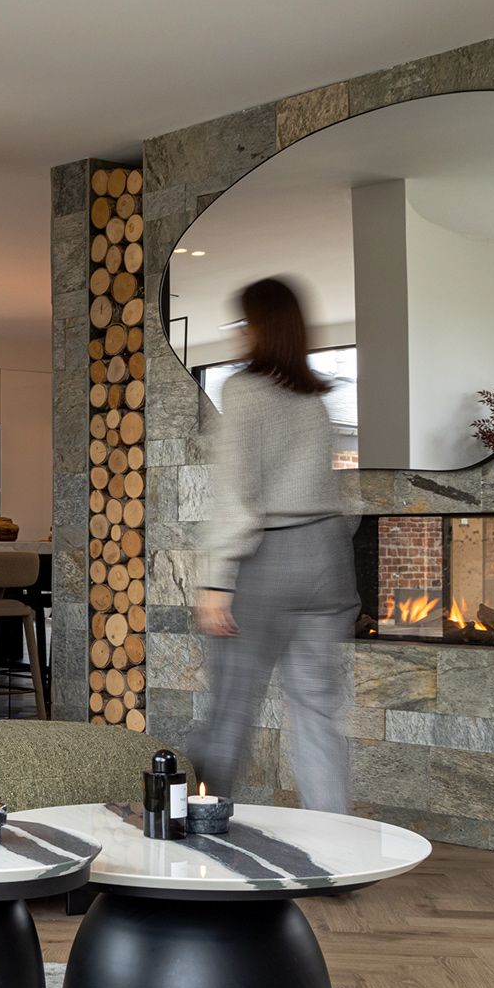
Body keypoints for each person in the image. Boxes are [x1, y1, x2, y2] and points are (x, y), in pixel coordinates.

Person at [192, 276, 354, 813]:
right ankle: (335, 850)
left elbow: (237, 492)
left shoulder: (243, 392)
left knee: (231, 709)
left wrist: (217, 579)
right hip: (327, 558)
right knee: (317, 714)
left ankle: (204, 834)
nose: (238, 335)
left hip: (267, 560)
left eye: (242, 324)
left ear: (258, 328)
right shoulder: (315, 399)